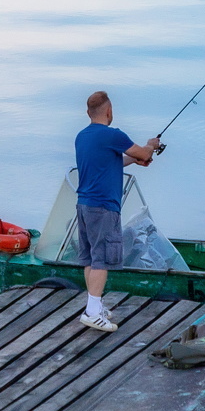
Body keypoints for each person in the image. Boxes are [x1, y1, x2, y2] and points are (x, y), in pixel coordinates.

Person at [74, 90, 162, 332]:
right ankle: (92, 312)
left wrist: (133, 160)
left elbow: (109, 161)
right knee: (101, 258)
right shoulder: (113, 135)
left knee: (91, 257)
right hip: (103, 206)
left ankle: (96, 305)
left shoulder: (82, 137)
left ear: (88, 112)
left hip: (84, 204)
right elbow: (144, 153)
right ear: (109, 111)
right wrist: (150, 146)